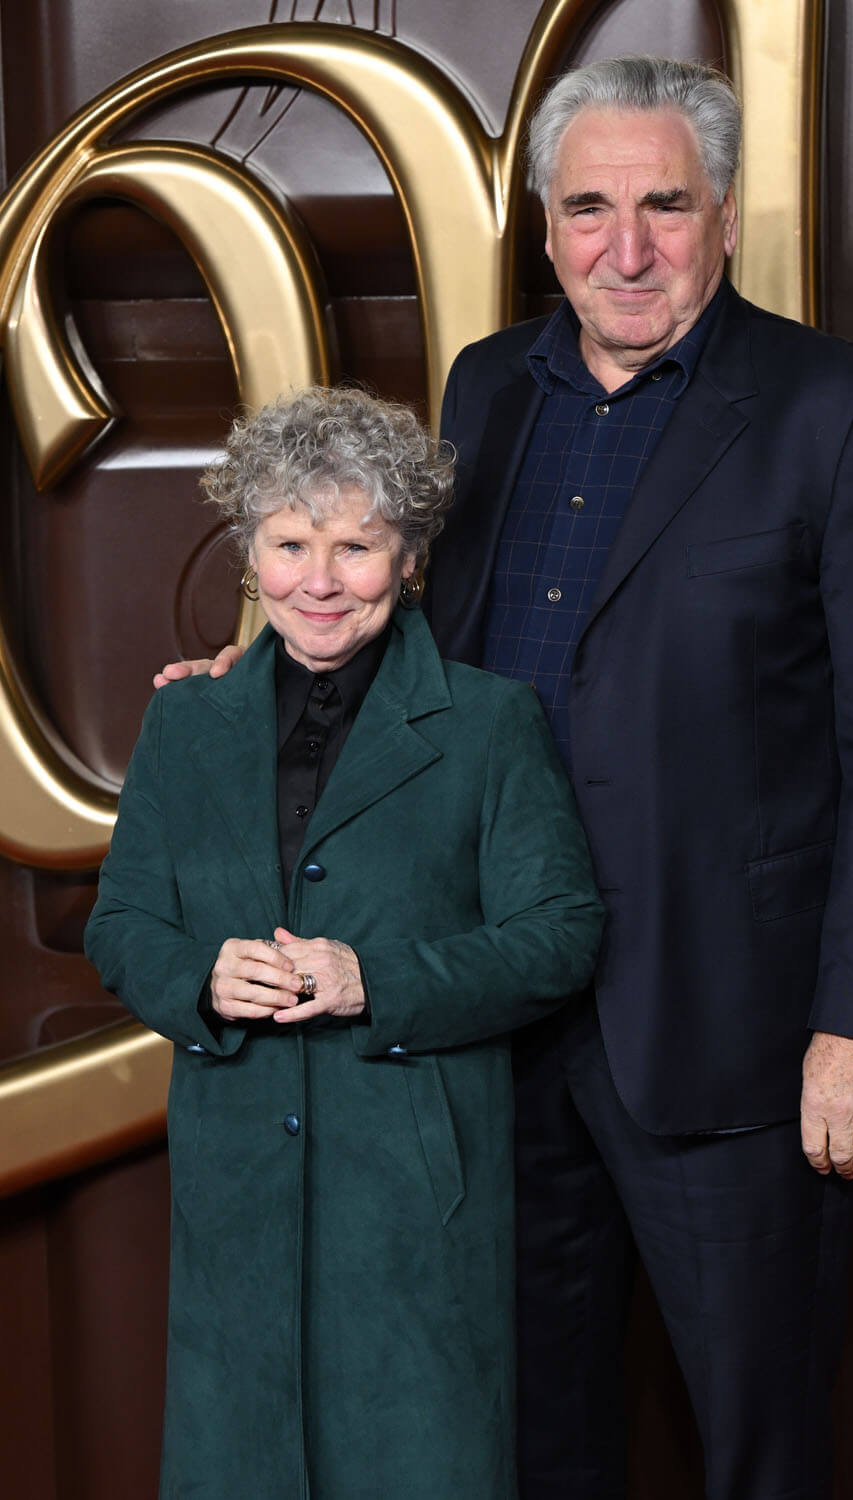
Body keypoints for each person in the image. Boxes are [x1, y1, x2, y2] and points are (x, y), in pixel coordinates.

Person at [158, 57, 853, 1500]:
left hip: (728, 1029)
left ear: (726, 215)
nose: (626, 248)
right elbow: (419, 643)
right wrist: (267, 673)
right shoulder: (486, 389)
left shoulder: (837, 412)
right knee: (519, 1437)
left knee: (759, 1444)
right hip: (492, 1009)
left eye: (666, 206)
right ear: (547, 226)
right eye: (590, 209)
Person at [88, 386, 605, 1500]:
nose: (317, 581)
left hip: (416, 1194)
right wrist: (199, 977)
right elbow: (121, 922)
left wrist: (379, 980)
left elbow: (560, 935)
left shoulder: (489, 722)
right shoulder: (185, 720)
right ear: (249, 556)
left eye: (355, 548)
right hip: (234, 1189)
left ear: (408, 559)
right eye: (289, 544)